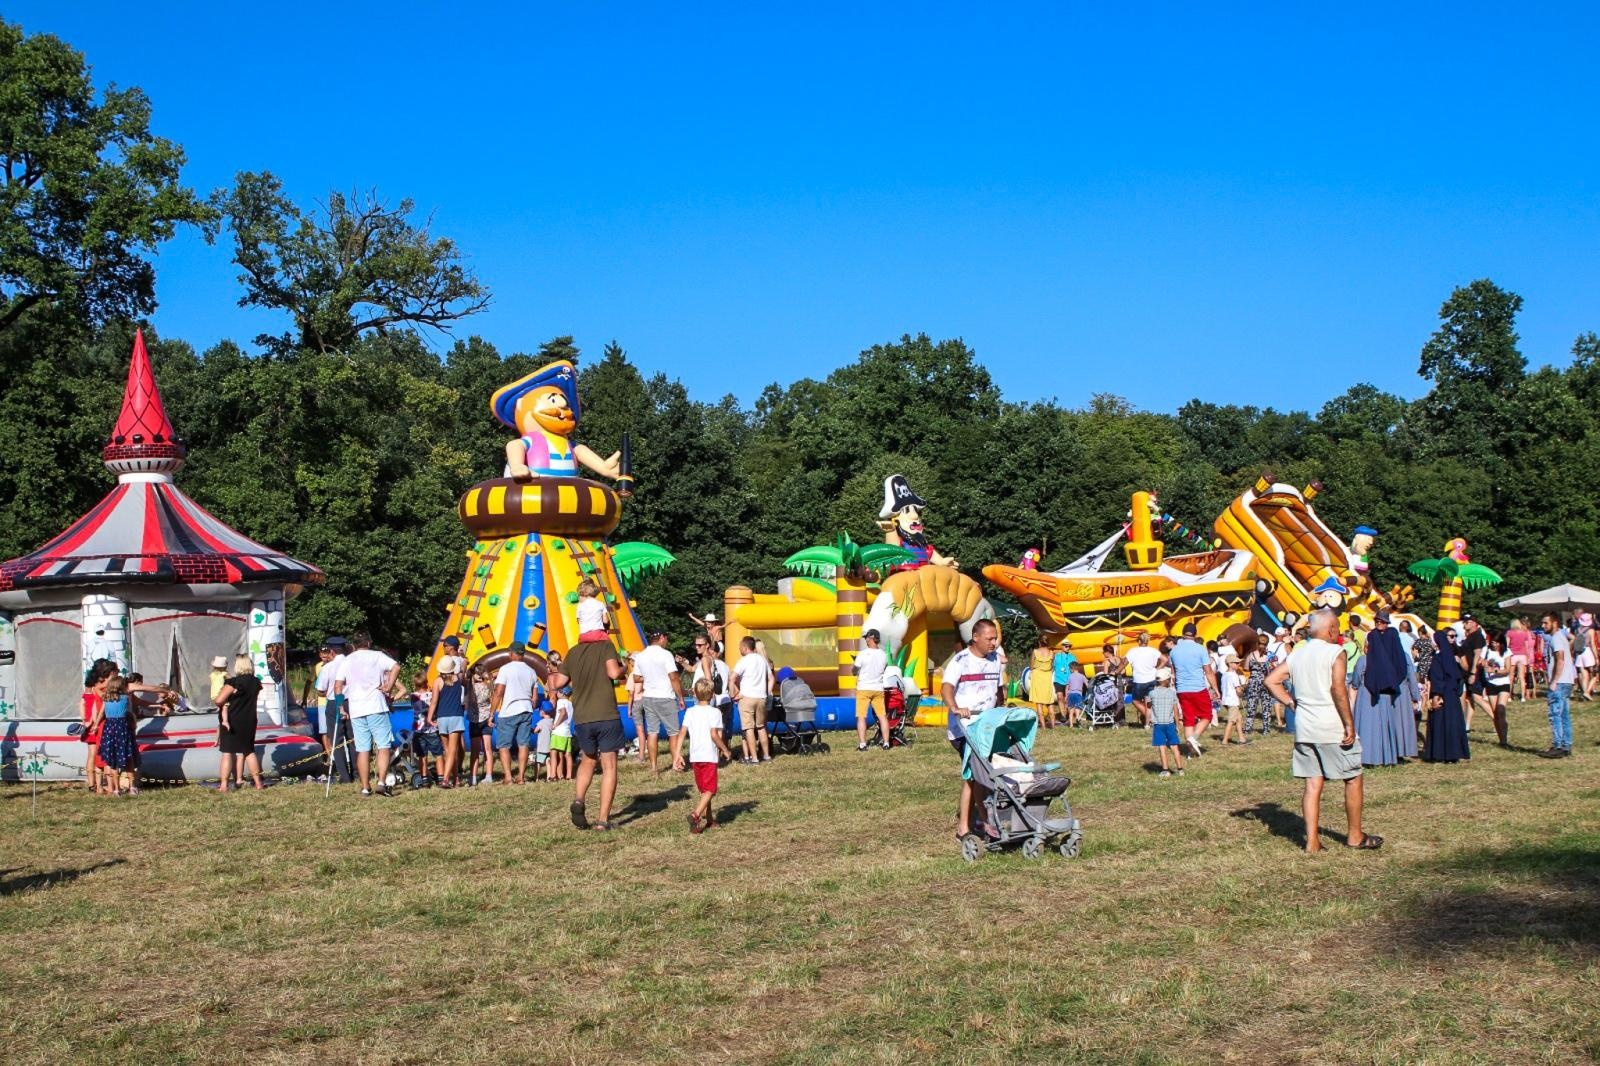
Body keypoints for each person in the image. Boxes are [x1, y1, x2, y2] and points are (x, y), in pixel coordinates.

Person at [1264, 609, 1381, 853]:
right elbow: (1338, 690)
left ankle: (1312, 841)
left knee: (1312, 784)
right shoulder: (1334, 652)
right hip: (1331, 726)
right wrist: (1349, 723)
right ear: (1332, 630)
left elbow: (1271, 680)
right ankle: (1355, 836)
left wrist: (1290, 702)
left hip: (1306, 727)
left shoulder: (1297, 654)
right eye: (1337, 627)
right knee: (1353, 778)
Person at [943, 619, 1003, 841]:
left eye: (995, 638)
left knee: (986, 773)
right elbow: (946, 687)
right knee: (973, 775)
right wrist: (955, 708)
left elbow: (998, 691)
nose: (993, 643)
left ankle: (982, 819)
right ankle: (964, 828)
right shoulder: (960, 661)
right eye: (989, 638)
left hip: (987, 726)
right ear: (975, 637)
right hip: (964, 729)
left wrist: (1001, 711)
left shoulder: (995, 660)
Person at [566, 632, 626, 831]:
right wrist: (624, 666)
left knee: (588, 759)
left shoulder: (573, 651)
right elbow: (614, 673)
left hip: (582, 717)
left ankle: (579, 800)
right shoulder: (606, 646)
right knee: (609, 766)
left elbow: (556, 681)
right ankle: (602, 821)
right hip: (606, 714)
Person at [334, 631, 401, 797]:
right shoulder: (377, 656)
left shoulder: (347, 660)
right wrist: (389, 686)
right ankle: (381, 782)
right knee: (383, 745)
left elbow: (338, 686)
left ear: (354, 644)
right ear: (369, 643)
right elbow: (396, 666)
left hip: (357, 708)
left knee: (362, 749)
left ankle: (365, 786)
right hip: (376, 705)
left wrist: (340, 707)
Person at [1351, 611, 1408, 767]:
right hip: (1384, 692)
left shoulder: (1368, 657)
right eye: (1377, 622)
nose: (1379, 624)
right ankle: (1385, 756)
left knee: (1370, 727)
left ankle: (1373, 757)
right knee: (1383, 726)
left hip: (1373, 694)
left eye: (1381, 622)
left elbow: (1356, 679)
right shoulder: (1380, 654)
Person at [678, 678, 734, 833]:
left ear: (695, 694)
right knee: (711, 790)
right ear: (712, 695)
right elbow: (714, 735)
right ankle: (695, 815)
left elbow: (682, 733)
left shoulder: (690, 711)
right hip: (709, 755)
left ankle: (709, 820)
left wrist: (677, 754)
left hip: (695, 756)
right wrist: (725, 749)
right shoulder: (715, 712)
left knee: (704, 790)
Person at [633, 631, 685, 773]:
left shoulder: (641, 655)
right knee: (673, 733)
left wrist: (650, 677)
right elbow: (674, 677)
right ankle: (676, 764)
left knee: (652, 732)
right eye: (666, 639)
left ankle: (654, 767)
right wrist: (680, 698)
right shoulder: (665, 654)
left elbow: (636, 678)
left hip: (648, 697)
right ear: (661, 638)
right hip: (665, 697)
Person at [215, 655, 265, 792]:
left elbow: (219, 700)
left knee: (227, 752)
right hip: (249, 719)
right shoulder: (256, 682)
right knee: (249, 751)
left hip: (232, 719)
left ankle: (224, 785)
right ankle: (258, 783)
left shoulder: (233, 682)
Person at [491, 642, 539, 784]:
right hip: (526, 709)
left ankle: (508, 777)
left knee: (504, 745)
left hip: (509, 710)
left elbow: (499, 692)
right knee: (523, 744)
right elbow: (534, 698)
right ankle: (521, 777)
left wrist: (491, 712)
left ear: (512, 653)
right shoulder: (531, 671)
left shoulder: (505, 669)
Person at [1169, 623, 1217, 757]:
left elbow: (1173, 672)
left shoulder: (1174, 651)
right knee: (1207, 716)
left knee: (1188, 720)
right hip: (1198, 688)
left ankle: (1190, 753)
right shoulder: (1200, 649)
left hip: (1182, 689)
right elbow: (1208, 672)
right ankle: (1193, 738)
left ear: (1183, 634)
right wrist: (1216, 689)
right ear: (1195, 634)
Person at [1423, 630, 1470, 764]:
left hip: (1442, 693)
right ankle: (1453, 753)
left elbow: (1437, 678)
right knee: (1452, 723)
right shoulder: (1450, 656)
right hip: (1452, 695)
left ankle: (1439, 753)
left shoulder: (1438, 658)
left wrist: (1436, 696)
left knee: (1441, 723)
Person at [91, 674, 139, 795]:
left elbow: (101, 713)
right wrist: (134, 724)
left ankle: (116, 789)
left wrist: (96, 725)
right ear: (121, 686)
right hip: (123, 729)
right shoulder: (125, 698)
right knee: (128, 759)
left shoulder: (106, 698)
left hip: (110, 730)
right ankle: (132, 787)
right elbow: (130, 714)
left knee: (112, 760)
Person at [729, 636, 773, 764]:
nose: (739, 650)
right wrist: (766, 692)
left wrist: (734, 694)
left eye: (740, 648)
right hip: (761, 697)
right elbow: (771, 678)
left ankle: (754, 758)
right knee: (761, 727)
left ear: (745, 648)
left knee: (748, 728)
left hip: (747, 697)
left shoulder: (743, 661)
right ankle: (766, 755)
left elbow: (732, 678)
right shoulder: (762, 660)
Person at [427, 658, 468, 787]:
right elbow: (464, 666)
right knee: (452, 751)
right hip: (456, 716)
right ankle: (448, 779)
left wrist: (429, 717)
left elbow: (434, 702)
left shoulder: (438, 681)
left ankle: (453, 779)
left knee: (447, 750)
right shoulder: (458, 679)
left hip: (442, 717)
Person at [1538, 612, 1574, 758]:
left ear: (1555, 623)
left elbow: (1560, 659)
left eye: (1546, 623)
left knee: (1555, 714)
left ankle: (1558, 745)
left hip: (1560, 682)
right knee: (1564, 714)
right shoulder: (1561, 637)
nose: (1543, 626)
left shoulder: (1556, 638)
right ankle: (1566, 745)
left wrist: (1554, 681)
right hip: (1567, 680)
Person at [853, 629, 891, 749]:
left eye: (866, 638)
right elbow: (884, 669)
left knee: (861, 716)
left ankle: (863, 744)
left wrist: (854, 669)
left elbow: (854, 671)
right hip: (878, 688)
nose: (865, 640)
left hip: (864, 688)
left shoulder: (863, 654)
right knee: (882, 716)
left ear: (870, 638)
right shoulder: (884, 655)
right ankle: (886, 743)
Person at [1147, 667, 1185, 778]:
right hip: (1170, 723)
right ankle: (1180, 769)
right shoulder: (1172, 693)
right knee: (1174, 746)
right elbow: (1176, 710)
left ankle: (1165, 769)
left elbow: (1149, 705)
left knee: (1162, 747)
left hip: (1158, 724)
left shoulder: (1152, 693)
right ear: (1166, 680)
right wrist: (1177, 724)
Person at [1480, 631, 1511, 745]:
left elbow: (1507, 670)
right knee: (1495, 713)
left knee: (1501, 710)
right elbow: (1480, 661)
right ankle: (1501, 738)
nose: (1495, 645)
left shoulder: (1506, 652)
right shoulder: (1486, 650)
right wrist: (1482, 662)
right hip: (1491, 684)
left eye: (1497, 642)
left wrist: (1495, 671)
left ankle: (1504, 740)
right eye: (1493, 642)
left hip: (1503, 683)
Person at [1124, 632, 1161, 729]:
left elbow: (1125, 662)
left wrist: (1118, 671)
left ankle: (1151, 719)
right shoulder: (1153, 650)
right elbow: (1165, 659)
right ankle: (1147, 724)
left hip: (1139, 680)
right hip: (1151, 679)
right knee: (1148, 702)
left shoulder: (1133, 651)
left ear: (1139, 641)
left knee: (1135, 701)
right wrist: (1157, 668)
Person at [467, 666, 495, 786]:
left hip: (475, 720)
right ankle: (489, 775)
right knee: (488, 749)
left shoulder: (471, 687)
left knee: (475, 750)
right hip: (487, 718)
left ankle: (473, 777)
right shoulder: (489, 686)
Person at [1244, 639, 1276, 737]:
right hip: (1266, 682)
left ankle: (1248, 729)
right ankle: (1266, 729)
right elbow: (1274, 667)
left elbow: (1246, 668)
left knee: (1252, 706)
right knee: (1266, 706)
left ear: (1257, 644)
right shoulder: (1270, 656)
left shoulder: (1251, 655)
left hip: (1254, 683)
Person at [1025, 633, 1055, 730]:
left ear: (1039, 642)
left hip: (1038, 676)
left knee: (1039, 702)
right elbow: (1052, 666)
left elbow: (1031, 666)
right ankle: (1053, 726)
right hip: (1047, 676)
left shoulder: (1035, 652)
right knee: (1049, 702)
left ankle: (1043, 726)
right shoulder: (1051, 653)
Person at [1218, 652, 1245, 744]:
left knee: (1239, 718)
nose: (1239, 664)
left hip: (1226, 699)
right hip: (1232, 700)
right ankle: (1225, 740)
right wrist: (1242, 691)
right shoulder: (1234, 675)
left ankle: (1242, 738)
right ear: (1229, 663)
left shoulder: (1224, 674)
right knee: (1231, 720)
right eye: (1236, 663)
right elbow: (1238, 690)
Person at [549, 686, 575, 780]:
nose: (557, 693)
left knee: (553, 753)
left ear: (563, 693)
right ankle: (568, 775)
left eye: (559, 692)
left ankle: (552, 775)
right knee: (567, 754)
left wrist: (555, 725)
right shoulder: (570, 703)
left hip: (559, 731)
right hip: (567, 732)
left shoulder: (561, 702)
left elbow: (563, 713)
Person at [1505, 618, 1534, 701]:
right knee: (1522, 677)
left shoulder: (1509, 633)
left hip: (1513, 655)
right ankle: (1523, 696)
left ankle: (1509, 696)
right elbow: (1526, 646)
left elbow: (1507, 645)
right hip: (1522, 655)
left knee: (1510, 676)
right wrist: (1528, 656)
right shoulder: (1524, 633)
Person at [575, 579, 610, 644]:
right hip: (597, 634)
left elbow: (578, 621)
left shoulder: (579, 606)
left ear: (583, 594)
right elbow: (606, 621)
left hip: (583, 636)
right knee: (609, 644)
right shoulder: (600, 604)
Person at [1051, 643, 1078, 726]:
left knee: (1067, 698)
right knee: (1059, 697)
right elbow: (1052, 667)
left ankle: (1067, 714)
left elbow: (1075, 668)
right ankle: (1063, 715)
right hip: (1058, 680)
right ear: (1062, 647)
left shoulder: (1072, 657)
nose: (1068, 648)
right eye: (1066, 646)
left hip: (1069, 680)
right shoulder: (1057, 656)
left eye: (1069, 646)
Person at [1066, 661, 1088, 726]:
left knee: (1071, 711)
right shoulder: (1082, 676)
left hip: (1070, 694)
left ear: (1071, 669)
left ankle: (1071, 724)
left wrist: (1066, 695)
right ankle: (1078, 723)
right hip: (1078, 694)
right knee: (1077, 710)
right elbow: (1087, 684)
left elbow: (1067, 687)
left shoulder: (1069, 676)